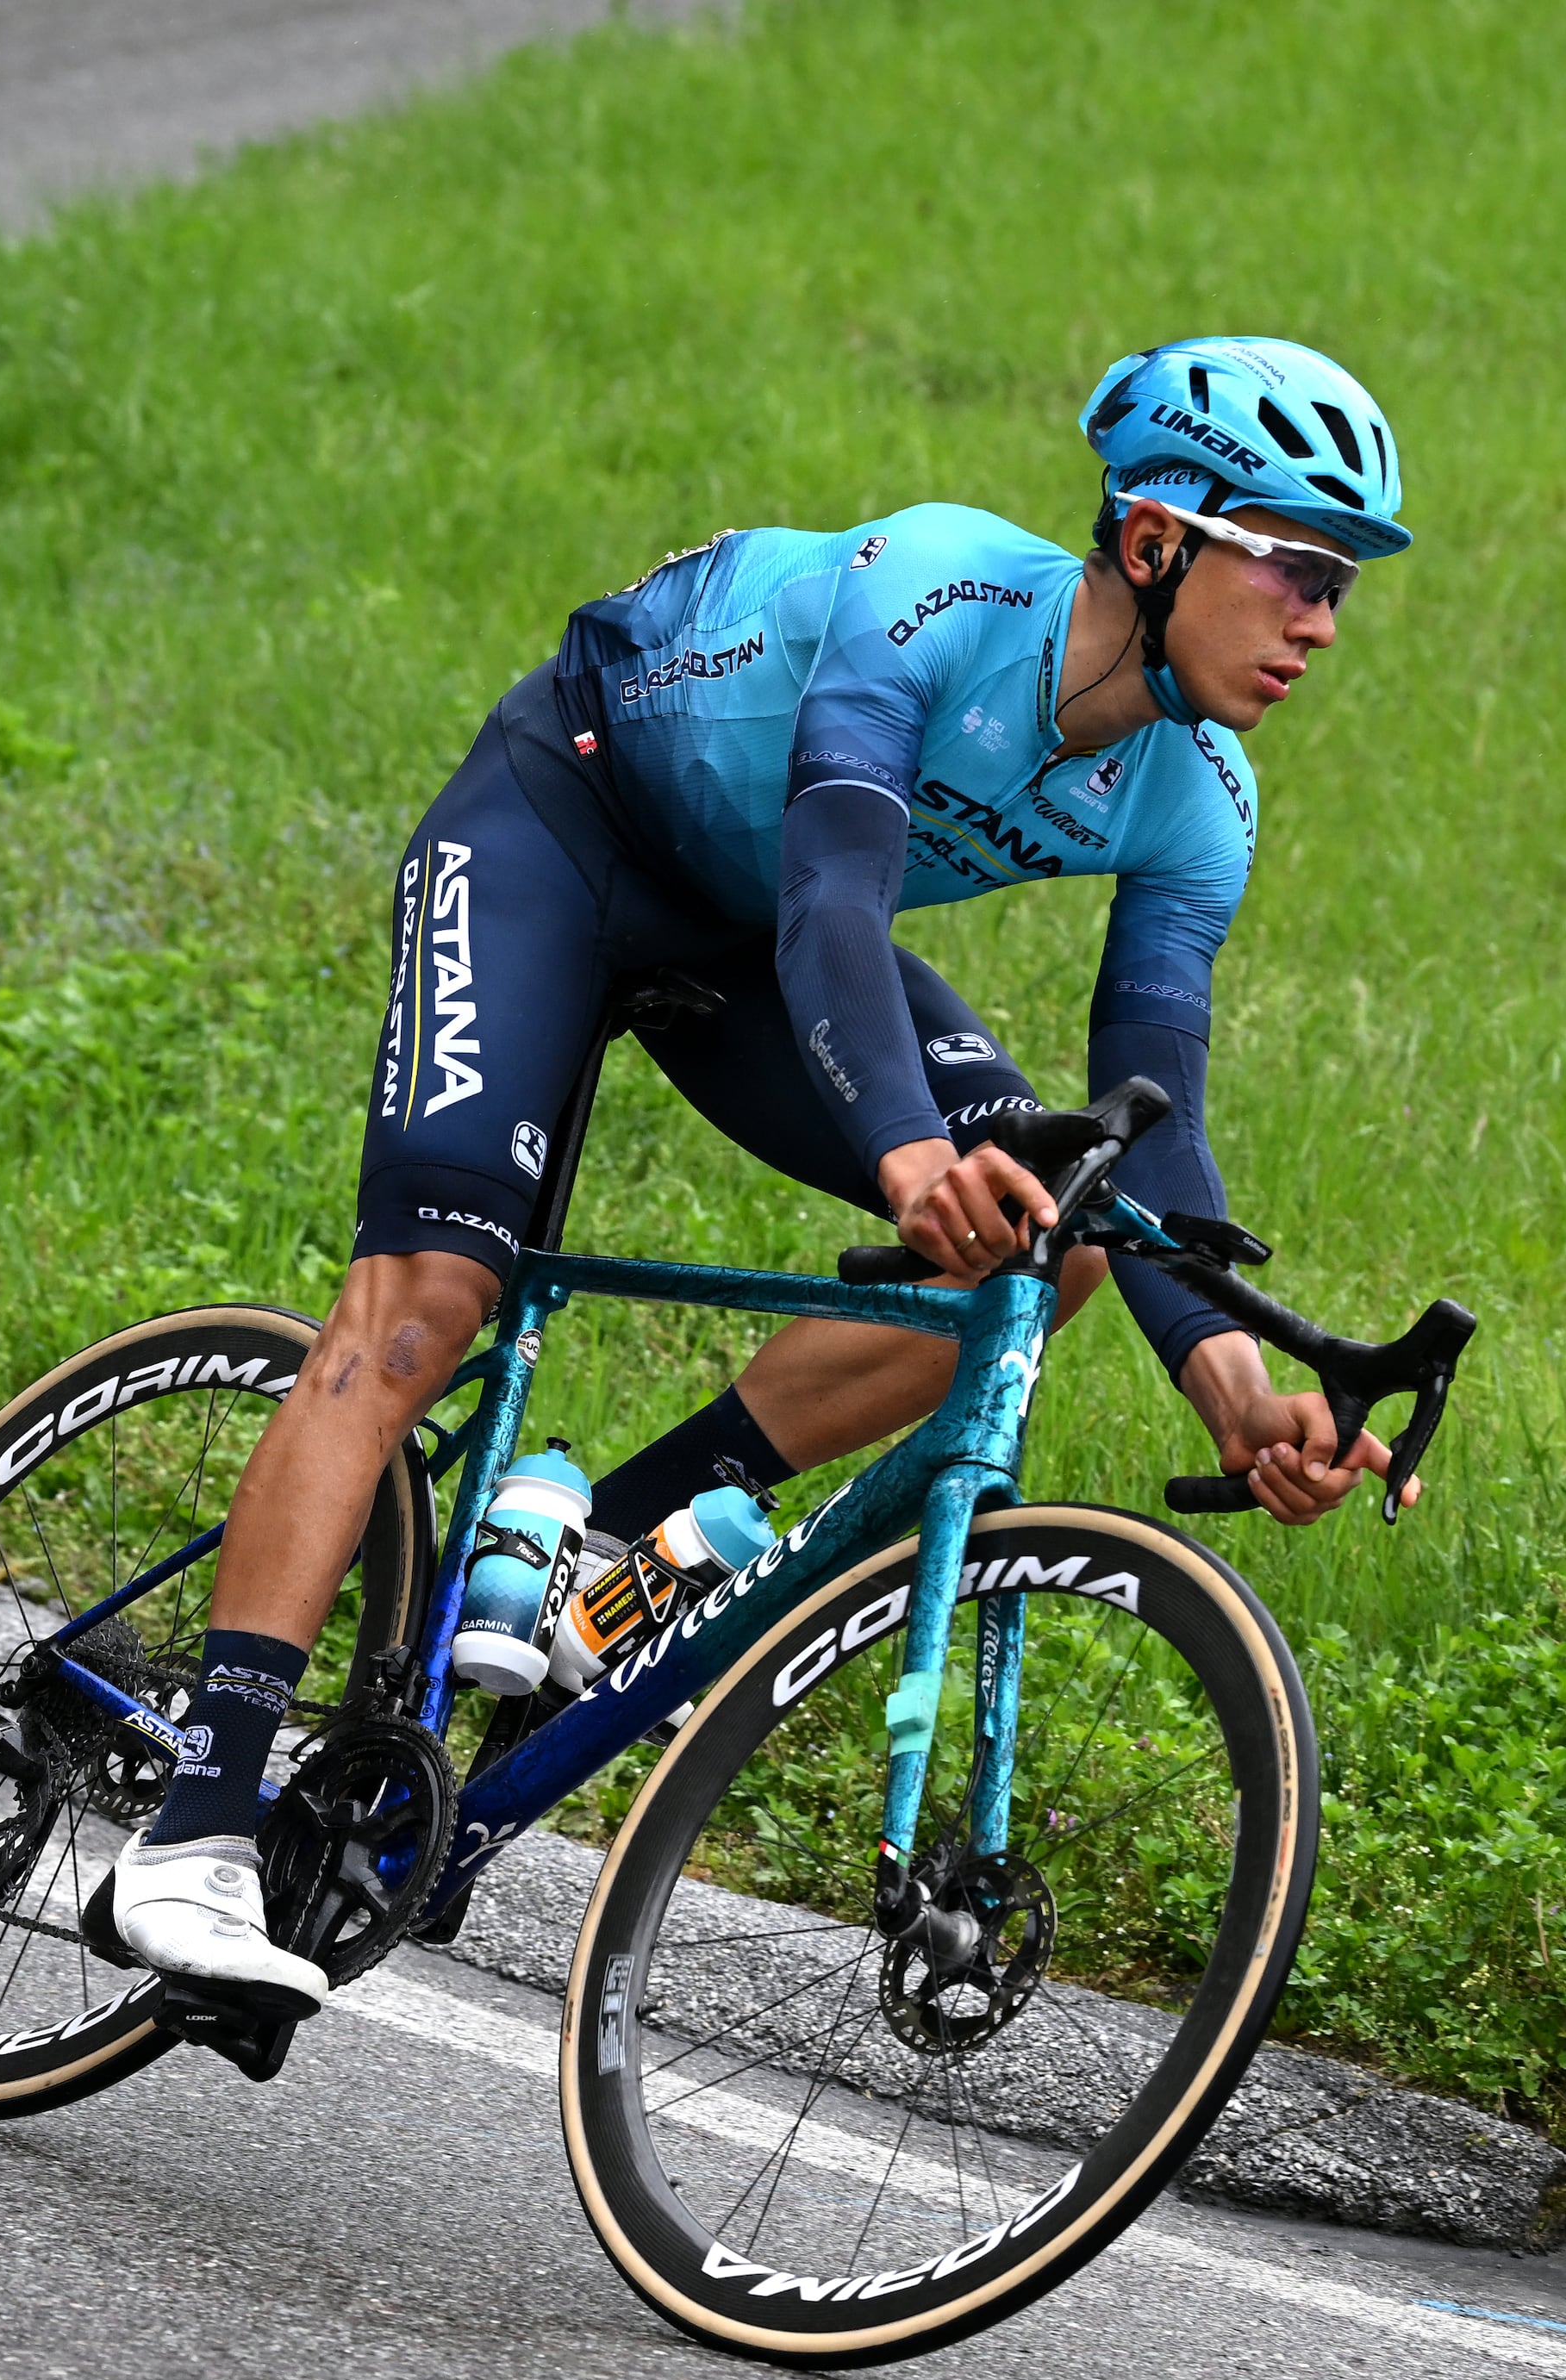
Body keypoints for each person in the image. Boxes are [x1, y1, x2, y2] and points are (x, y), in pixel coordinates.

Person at [112, 335, 1415, 2003]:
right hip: (564, 831)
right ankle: (198, 1819)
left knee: (1056, 1225)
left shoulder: (1203, 796)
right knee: (431, 1295)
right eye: (1298, 568)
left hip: (743, 936)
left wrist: (1233, 1383)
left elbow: (1154, 1114)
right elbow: (833, 907)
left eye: (1346, 586)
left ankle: (609, 1536)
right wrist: (903, 1157)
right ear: (1157, 539)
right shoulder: (938, 593)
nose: (1322, 619)